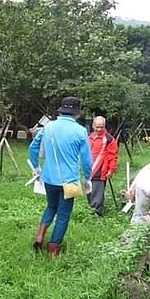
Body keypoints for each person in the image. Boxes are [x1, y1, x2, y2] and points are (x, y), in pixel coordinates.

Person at [29, 96, 93, 256]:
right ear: (76, 113)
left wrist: (36, 167)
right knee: (64, 214)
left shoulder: (48, 126)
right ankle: (53, 249)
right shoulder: (80, 131)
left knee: (51, 206)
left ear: (61, 111)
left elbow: (33, 147)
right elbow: (86, 159)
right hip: (69, 180)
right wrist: (88, 177)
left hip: (48, 178)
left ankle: (40, 235)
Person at [86, 116, 118, 216]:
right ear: (93, 126)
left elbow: (113, 156)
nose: (99, 129)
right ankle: (90, 211)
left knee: (97, 194)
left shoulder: (109, 139)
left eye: (101, 127)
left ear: (105, 126)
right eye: (97, 127)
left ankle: (97, 214)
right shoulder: (89, 137)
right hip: (88, 170)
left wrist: (111, 170)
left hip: (101, 171)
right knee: (89, 192)